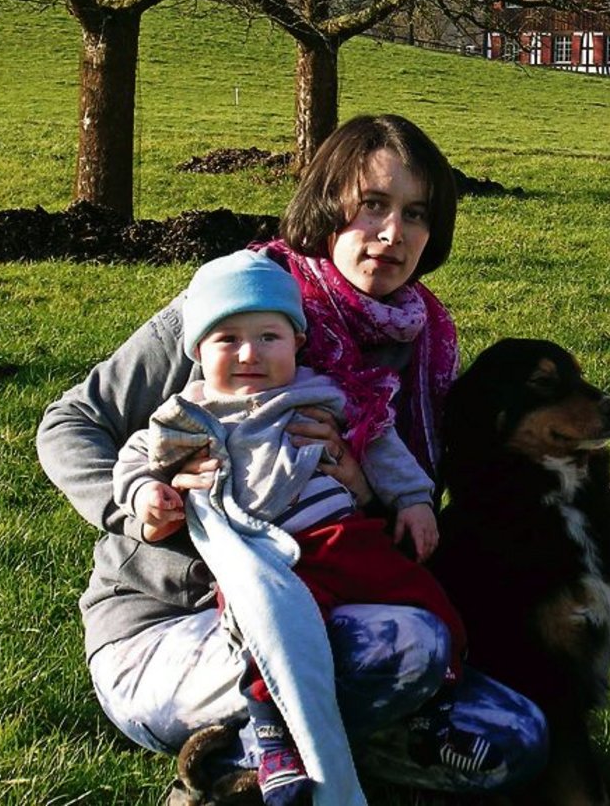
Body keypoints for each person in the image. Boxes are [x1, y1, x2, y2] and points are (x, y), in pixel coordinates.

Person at [38, 114, 547, 799]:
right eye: (373, 205)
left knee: (516, 738)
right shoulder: (238, 305)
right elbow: (72, 422)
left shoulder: (420, 341)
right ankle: (250, 762)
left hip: (338, 602)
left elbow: (409, 502)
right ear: (328, 205)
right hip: (172, 629)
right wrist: (140, 508)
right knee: (408, 646)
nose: (393, 234)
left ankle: (253, 767)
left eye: (416, 214)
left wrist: (364, 486)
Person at [112, 249, 471, 805]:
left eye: (269, 337)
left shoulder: (320, 393)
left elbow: (379, 443)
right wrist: (145, 496)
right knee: (265, 630)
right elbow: (136, 457)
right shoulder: (189, 414)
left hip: (340, 537)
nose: (250, 353)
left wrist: (415, 501)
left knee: (423, 598)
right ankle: (268, 736)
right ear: (198, 352)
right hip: (263, 553)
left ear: (297, 342)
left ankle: (437, 703)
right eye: (227, 340)